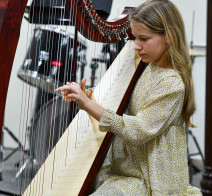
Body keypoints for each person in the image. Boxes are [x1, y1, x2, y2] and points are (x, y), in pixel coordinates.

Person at [55, 0, 201, 195]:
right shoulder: (149, 66)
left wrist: (89, 105)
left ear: (169, 36)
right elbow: (125, 105)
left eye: (144, 39)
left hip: (150, 180)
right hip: (128, 170)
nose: (136, 46)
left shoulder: (171, 83)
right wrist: (89, 97)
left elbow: (137, 130)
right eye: (134, 38)